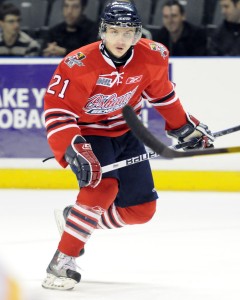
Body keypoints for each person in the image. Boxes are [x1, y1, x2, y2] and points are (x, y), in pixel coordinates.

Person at [42, 0, 214, 290]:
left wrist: (184, 127)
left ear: (137, 33)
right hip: (88, 133)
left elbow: (162, 96)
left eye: (128, 32)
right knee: (103, 188)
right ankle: (61, 261)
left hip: (127, 130)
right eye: (113, 31)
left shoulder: (153, 56)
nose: (120, 39)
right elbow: (57, 110)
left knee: (142, 210)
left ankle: (76, 219)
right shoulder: (79, 63)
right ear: (102, 32)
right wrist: (73, 146)